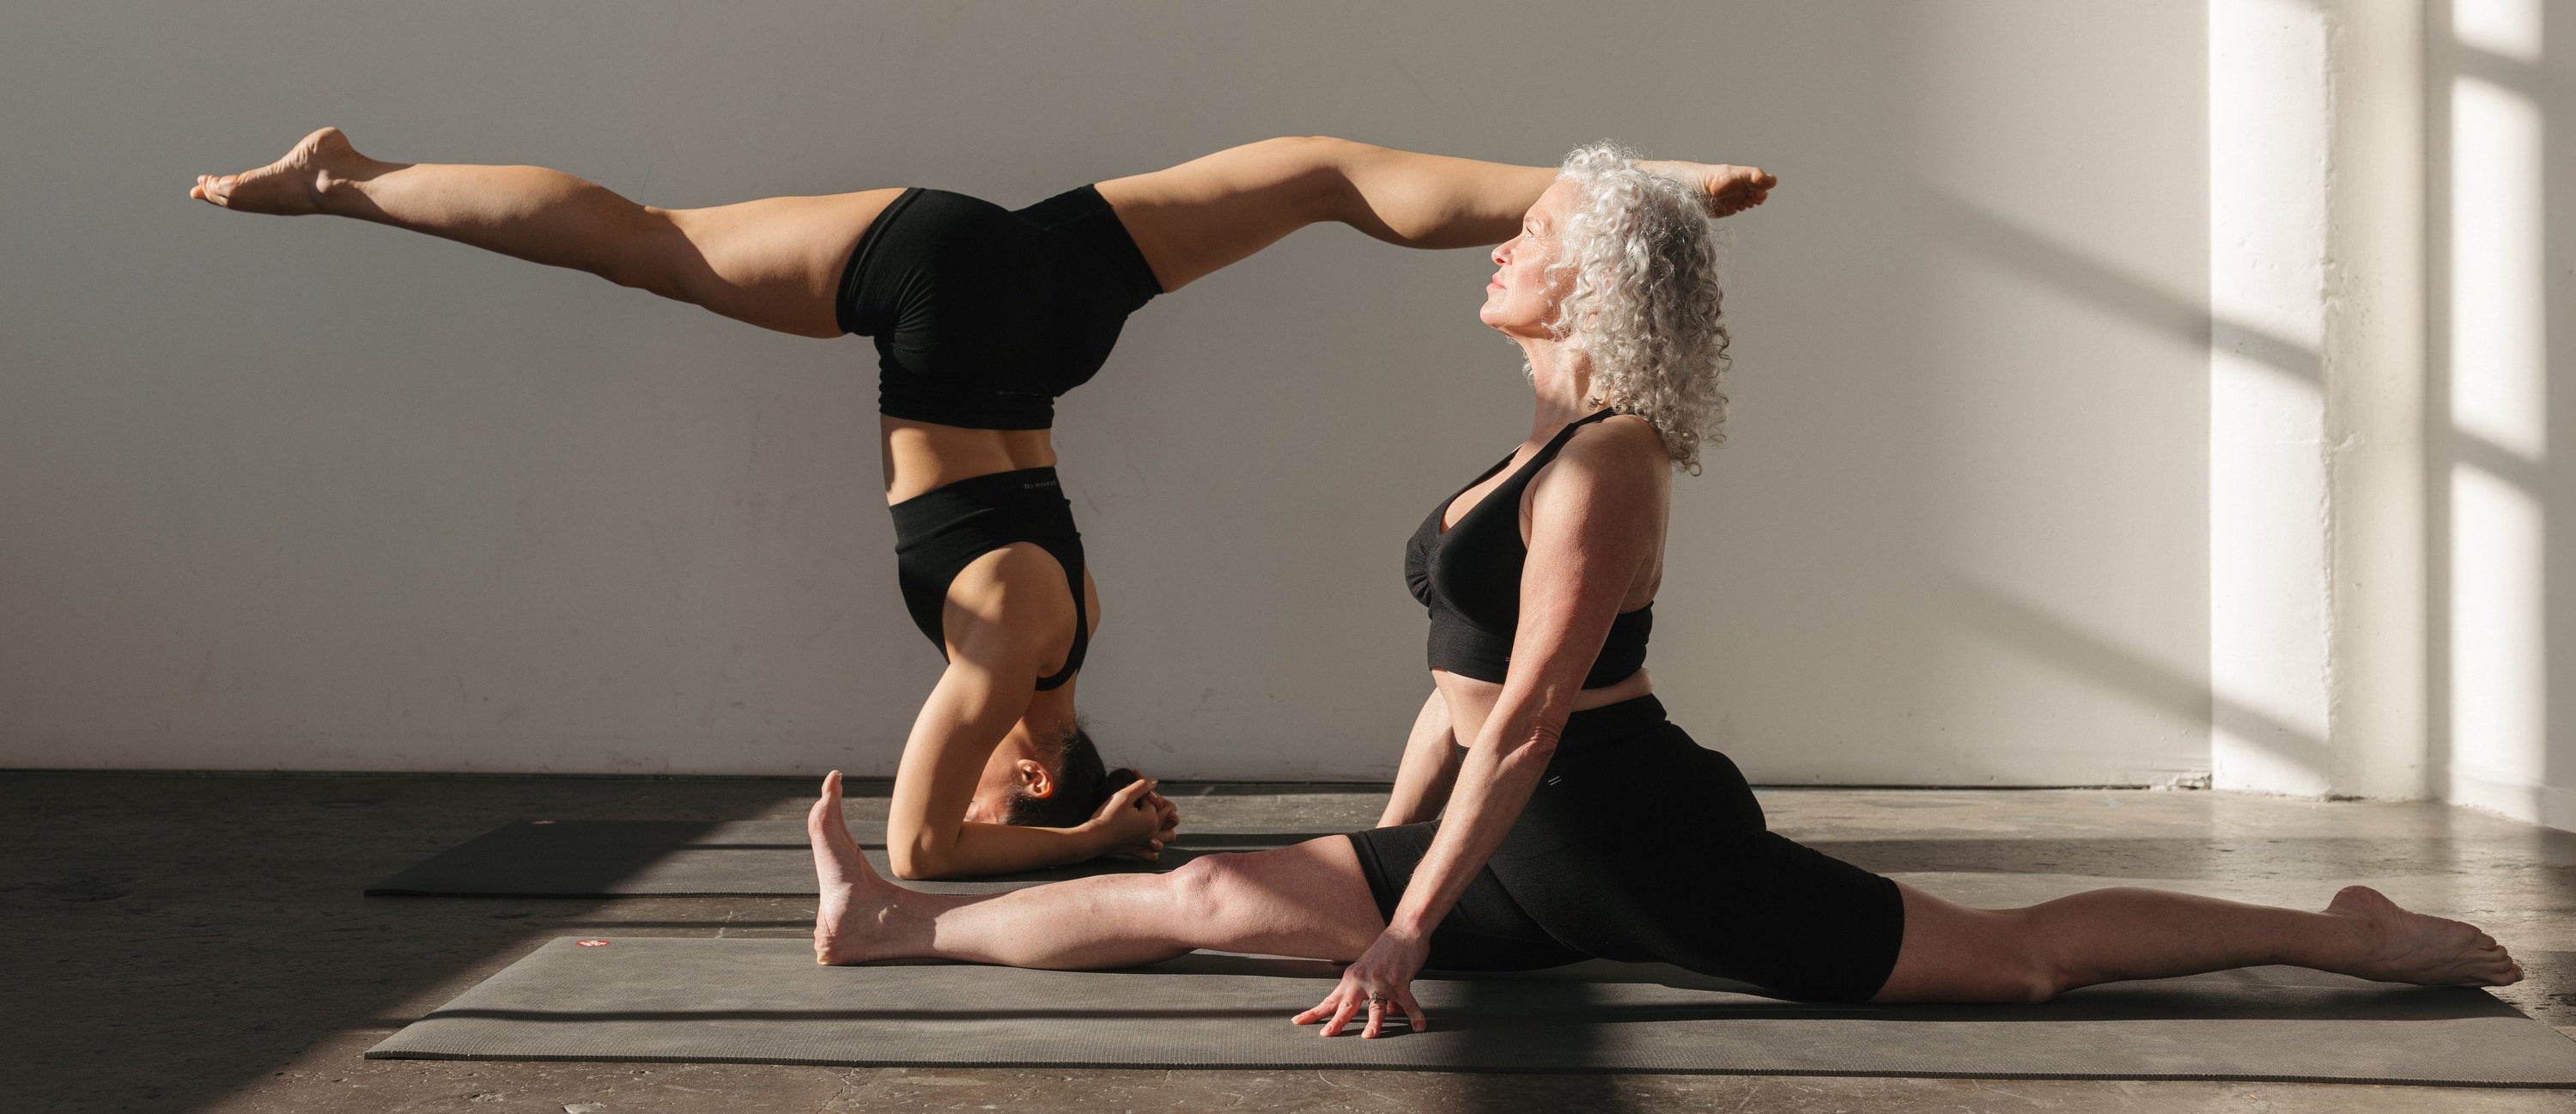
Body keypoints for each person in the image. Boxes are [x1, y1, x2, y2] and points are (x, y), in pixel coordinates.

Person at [799, 142, 2523, 1036]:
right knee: (1197, 894)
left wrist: (1401, 925)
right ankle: (889, 918)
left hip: (1632, 841)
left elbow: (1533, 713)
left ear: (1597, 286)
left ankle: (2339, 932)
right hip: (1513, 844)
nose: (1500, 242)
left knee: (2011, 970)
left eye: (1533, 234)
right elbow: (1458, 682)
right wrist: (1386, 852)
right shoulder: (1522, 453)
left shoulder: (1610, 461)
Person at [190, 132, 1776, 880]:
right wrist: (1081, 835)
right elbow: (925, 850)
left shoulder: (1056, 630)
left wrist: (1091, 817)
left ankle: (1634, 196)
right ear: (1033, 756)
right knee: (646, 239)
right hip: (942, 295)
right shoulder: (1014, 638)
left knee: (1315, 179)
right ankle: (345, 183)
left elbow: (958, 818)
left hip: (1038, 303)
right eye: (1018, 778)